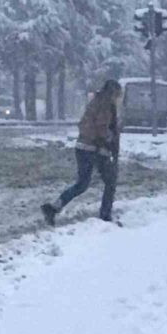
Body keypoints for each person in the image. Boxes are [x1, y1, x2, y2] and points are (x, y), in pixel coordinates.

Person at [41, 79, 122, 225]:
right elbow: (102, 128)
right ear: (113, 92)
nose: (117, 99)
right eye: (117, 95)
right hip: (95, 149)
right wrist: (109, 141)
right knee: (110, 182)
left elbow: (86, 124)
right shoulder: (105, 105)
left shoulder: (95, 101)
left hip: (83, 147)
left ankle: (54, 208)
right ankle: (105, 215)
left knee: (82, 184)